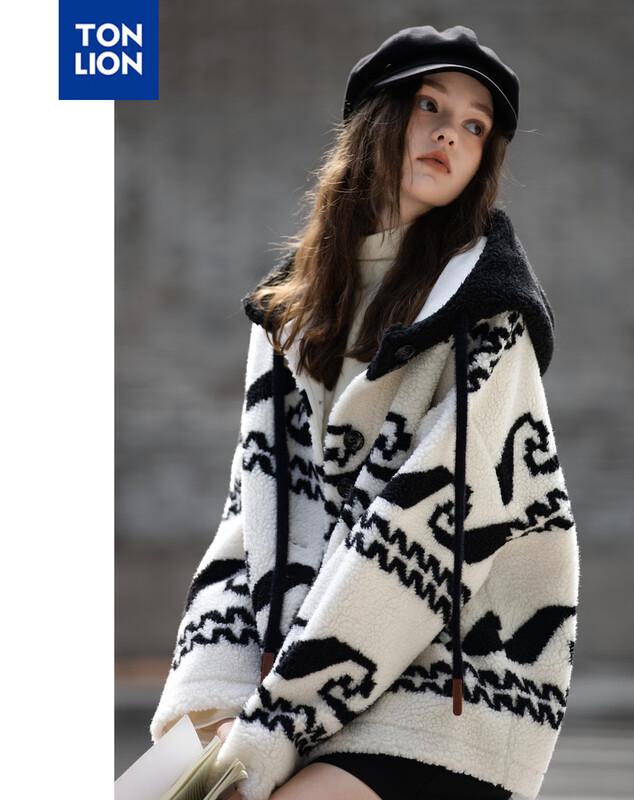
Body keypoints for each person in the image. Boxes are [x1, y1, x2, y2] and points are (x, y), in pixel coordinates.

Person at [148, 24, 580, 800]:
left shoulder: (487, 319)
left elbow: (411, 553)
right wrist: (208, 702)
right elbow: (251, 519)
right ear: (378, 117)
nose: (450, 134)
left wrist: (267, 733)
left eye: (475, 126)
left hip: (456, 689)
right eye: (430, 106)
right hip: (308, 682)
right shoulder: (291, 315)